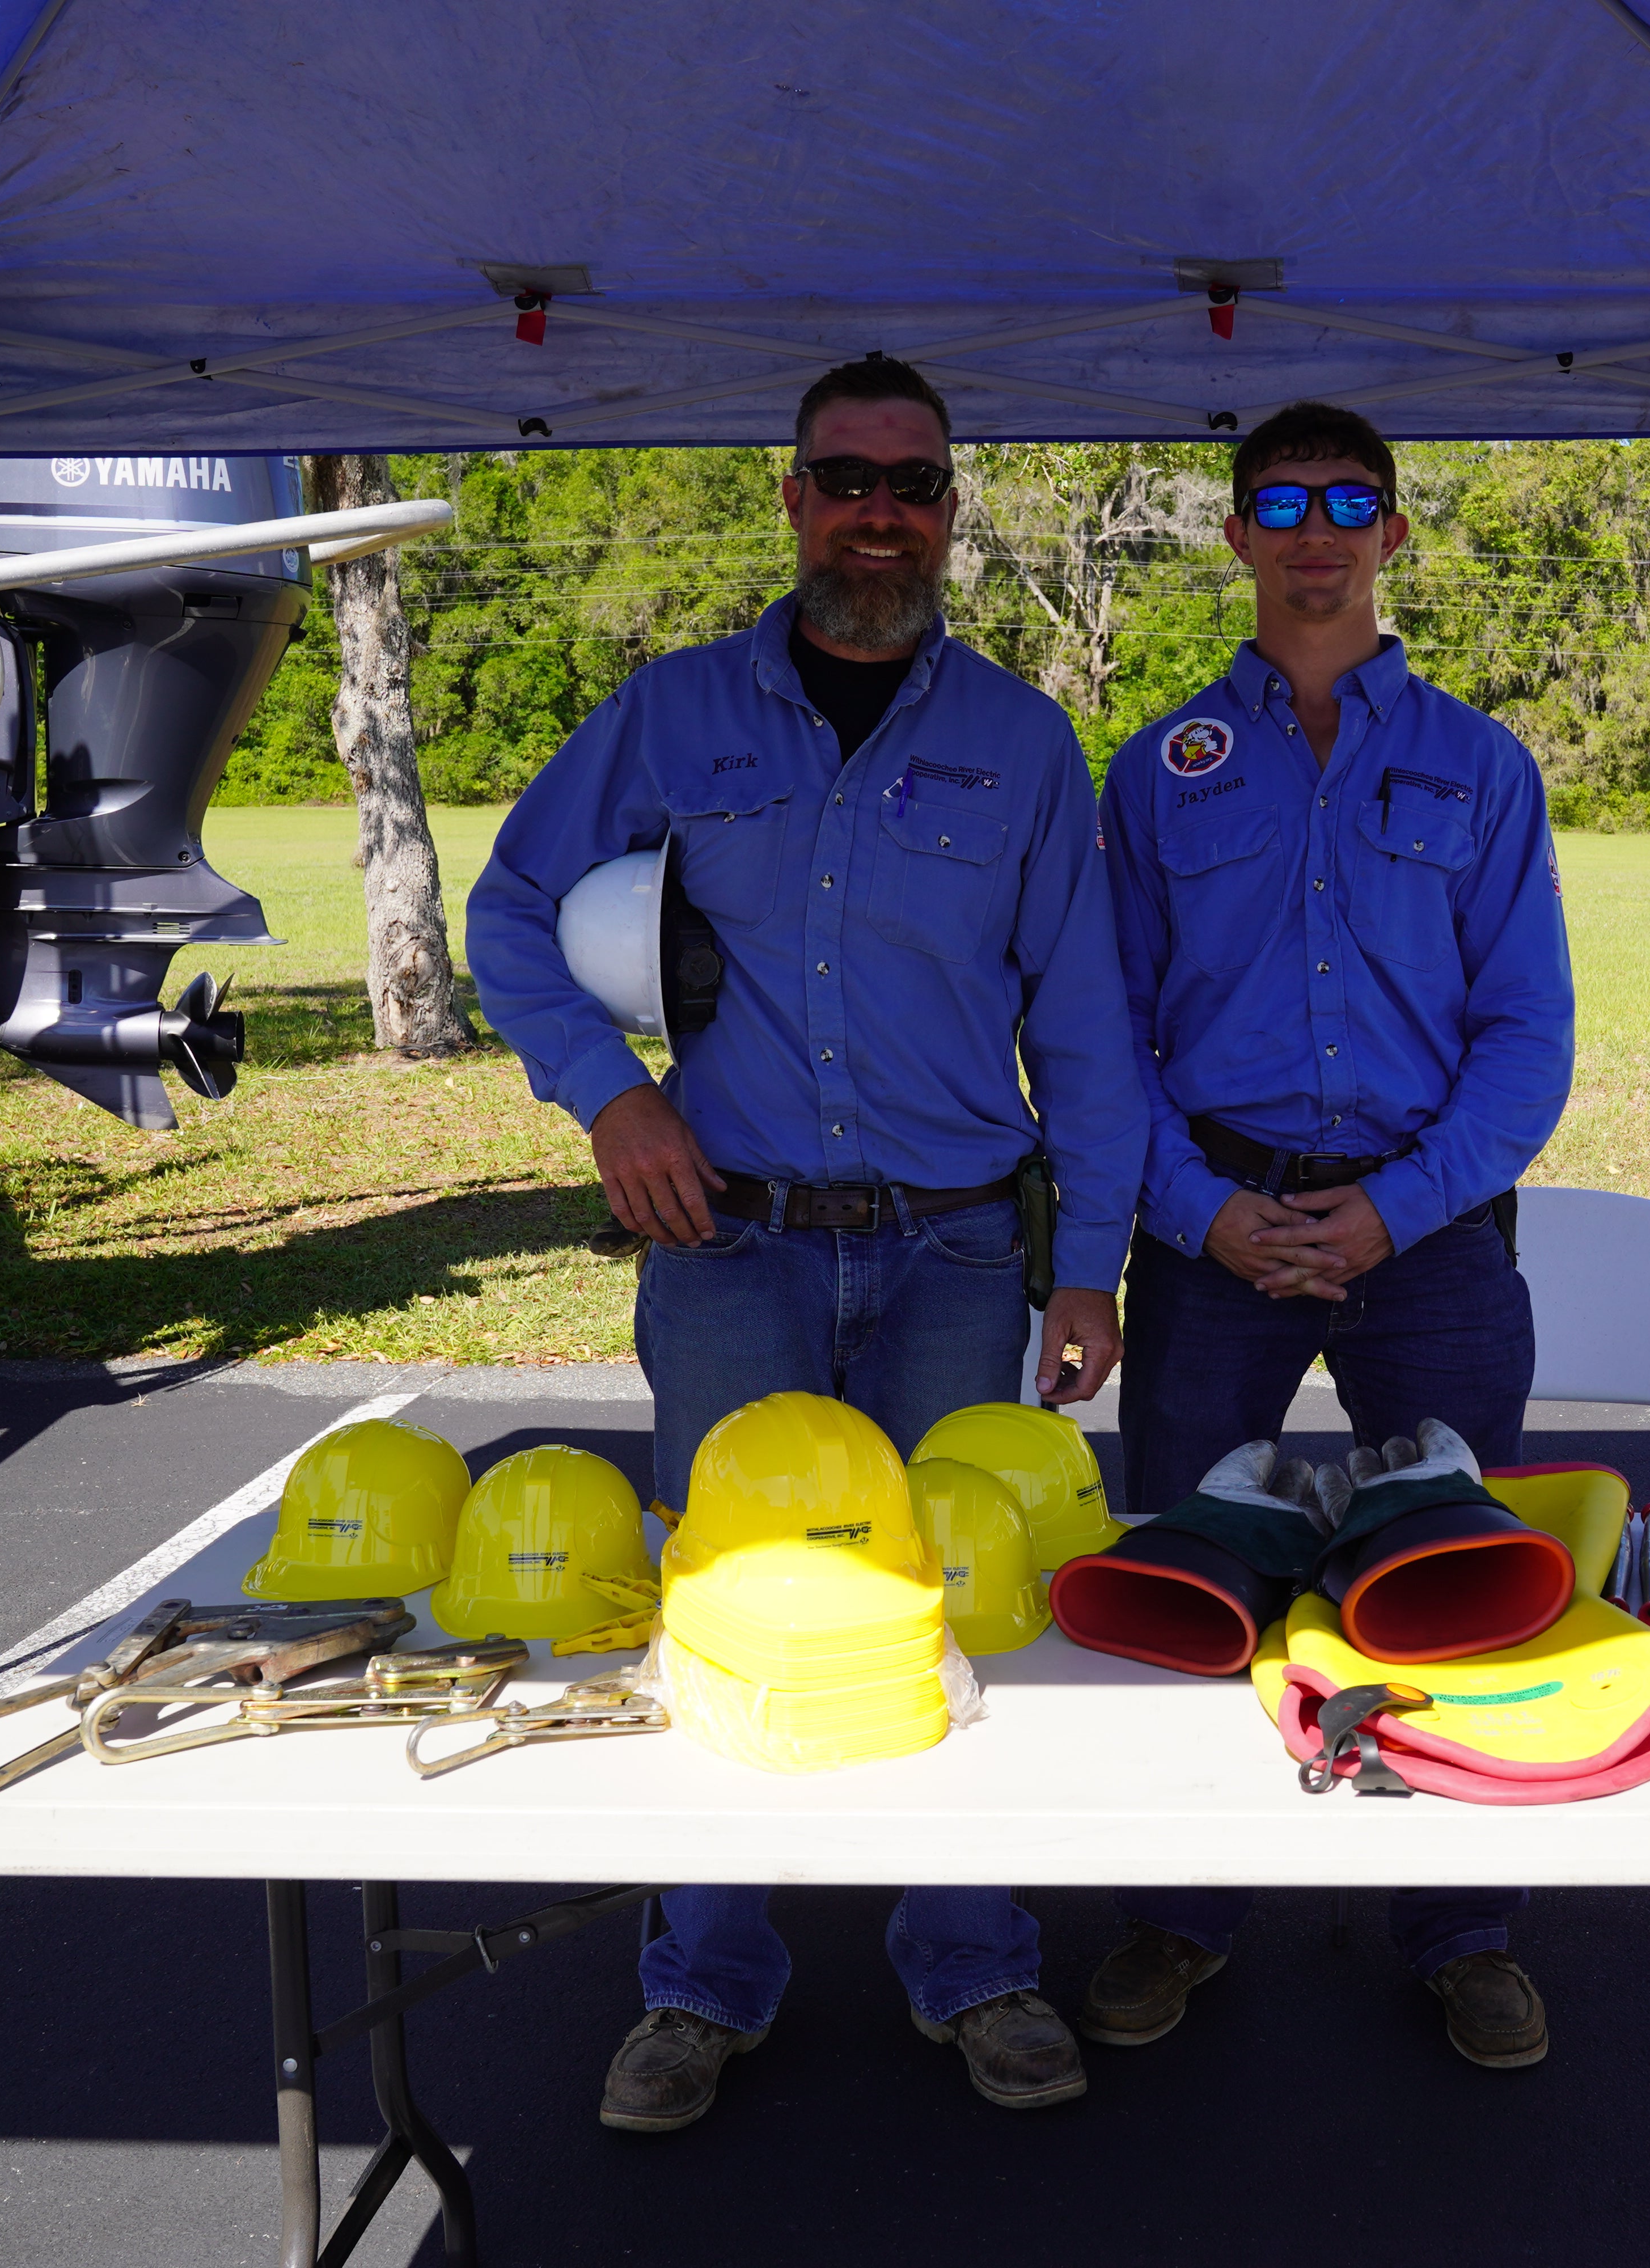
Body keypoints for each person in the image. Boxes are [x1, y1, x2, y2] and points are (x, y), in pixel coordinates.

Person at [466, 354, 1144, 2130]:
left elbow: (1083, 1022)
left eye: (913, 485)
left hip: (954, 1255)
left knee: (955, 1603)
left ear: (947, 511)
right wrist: (607, 1098)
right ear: (791, 498)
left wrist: (1092, 1262)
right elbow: (514, 910)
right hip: (731, 1248)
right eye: (847, 478)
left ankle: (977, 1961)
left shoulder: (1019, 745)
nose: (879, 513)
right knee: (715, 1600)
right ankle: (703, 1982)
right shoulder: (674, 717)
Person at [1084, 401, 1576, 2067]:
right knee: (1190, 1585)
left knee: (1450, 1589)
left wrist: (1393, 1211)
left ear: (1394, 534)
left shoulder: (1481, 767)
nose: (1314, 531)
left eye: (1346, 502)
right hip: (1214, 1230)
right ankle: (1180, 1911)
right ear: (1232, 534)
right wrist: (1202, 1212)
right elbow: (1103, 1036)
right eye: (1278, 502)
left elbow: (1528, 1041)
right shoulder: (1155, 769)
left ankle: (1460, 1931)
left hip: (1424, 1235)